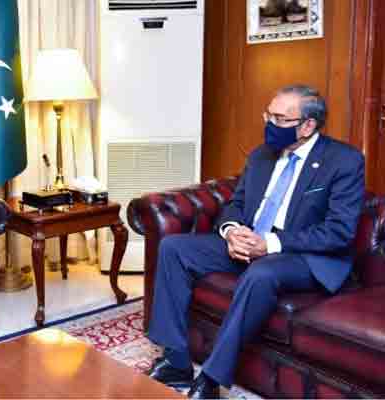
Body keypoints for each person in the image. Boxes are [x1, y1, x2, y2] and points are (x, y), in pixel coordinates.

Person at [146, 85, 365, 398]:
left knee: (262, 273)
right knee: (174, 248)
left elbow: (338, 232)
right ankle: (176, 360)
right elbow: (237, 202)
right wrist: (232, 231)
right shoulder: (262, 155)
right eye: (268, 114)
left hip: (302, 254)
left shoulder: (343, 160)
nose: (269, 123)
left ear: (307, 126)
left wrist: (270, 244)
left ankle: (210, 378)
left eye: (279, 118)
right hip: (251, 241)